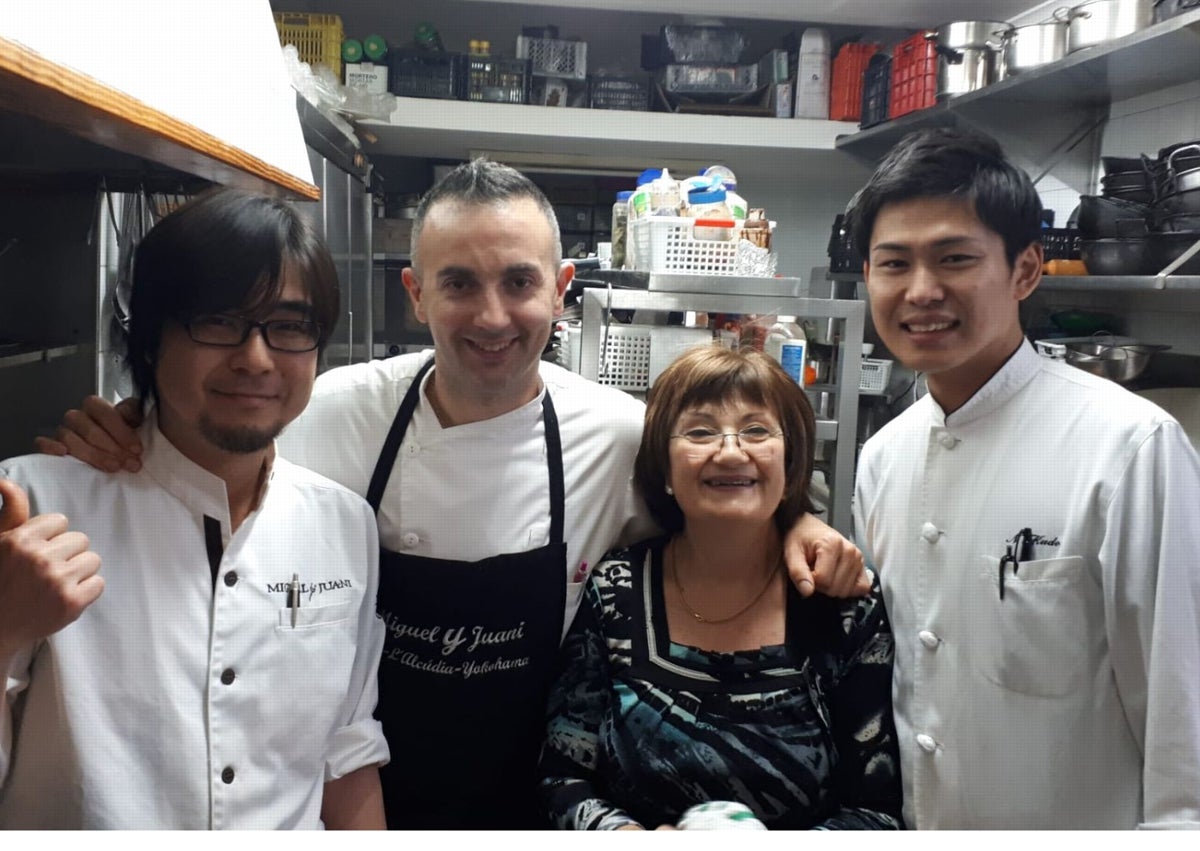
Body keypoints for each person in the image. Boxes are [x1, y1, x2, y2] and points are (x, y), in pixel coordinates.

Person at [33, 159, 868, 829]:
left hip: (540, 808)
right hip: (369, 802)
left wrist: (797, 522)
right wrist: (130, 426)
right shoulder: (328, 409)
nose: (492, 314)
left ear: (562, 286)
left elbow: (720, 508)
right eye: (460, 282)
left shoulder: (616, 433)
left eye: (519, 281)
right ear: (415, 292)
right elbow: (212, 434)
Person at [0, 188, 389, 829]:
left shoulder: (345, 525)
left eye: (290, 327)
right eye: (218, 321)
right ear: (151, 338)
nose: (257, 358)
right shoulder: (36, 508)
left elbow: (346, 756)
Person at [846, 127, 1200, 829]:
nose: (921, 290)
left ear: (1026, 270)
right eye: (894, 263)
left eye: (954, 259)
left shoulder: (1129, 448)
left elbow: (1182, 718)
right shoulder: (882, 456)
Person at [539, 346, 902, 830]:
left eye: (756, 430)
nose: (731, 452)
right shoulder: (616, 590)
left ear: (791, 460)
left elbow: (876, 809)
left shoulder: (843, 603)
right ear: (664, 468)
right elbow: (562, 776)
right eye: (700, 431)